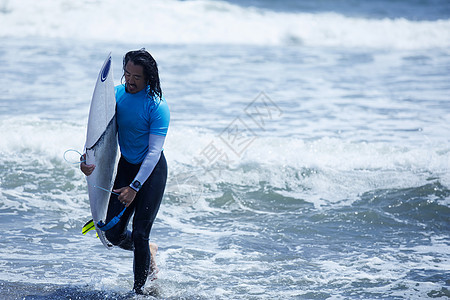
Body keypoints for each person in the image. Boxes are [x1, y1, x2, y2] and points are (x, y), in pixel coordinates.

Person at [81, 49, 170, 294]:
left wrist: (134, 187)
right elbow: (100, 136)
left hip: (150, 173)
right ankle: (149, 250)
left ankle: (138, 292)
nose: (130, 80)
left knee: (141, 233)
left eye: (136, 77)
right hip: (126, 167)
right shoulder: (117, 96)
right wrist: (86, 160)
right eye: (127, 74)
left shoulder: (157, 107)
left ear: (148, 78)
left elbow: (154, 153)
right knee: (111, 231)